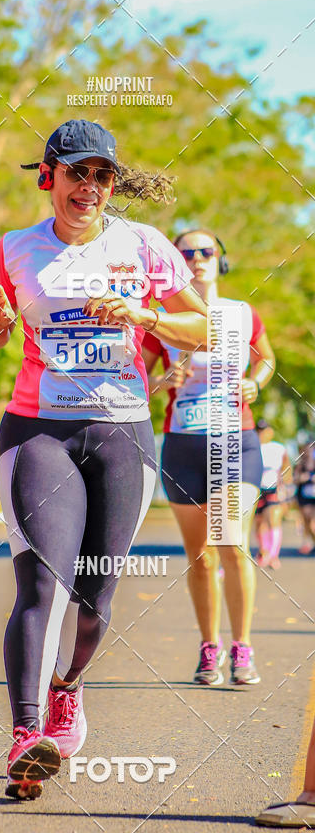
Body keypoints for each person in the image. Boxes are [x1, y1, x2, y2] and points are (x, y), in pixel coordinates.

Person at [0, 119, 208, 800]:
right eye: (77, 172)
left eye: (103, 174)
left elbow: (203, 324)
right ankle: (25, 737)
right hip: (38, 430)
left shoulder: (143, 246)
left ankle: (65, 691)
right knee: (41, 582)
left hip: (121, 433)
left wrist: (144, 316)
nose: (90, 187)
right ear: (49, 177)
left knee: (96, 594)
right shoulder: (15, 250)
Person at [143, 228, 275, 687]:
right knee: (199, 557)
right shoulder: (160, 318)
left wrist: (256, 382)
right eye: (186, 253)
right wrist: (165, 380)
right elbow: (138, 379)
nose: (197, 258)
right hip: (182, 444)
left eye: (206, 251)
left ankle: (242, 648)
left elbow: (266, 359)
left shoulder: (241, 314)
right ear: (175, 263)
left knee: (229, 541)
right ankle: (209, 648)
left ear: (221, 259)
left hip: (235, 439)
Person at [254, 420, 292, 569]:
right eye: (259, 431)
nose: (262, 434)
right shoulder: (252, 448)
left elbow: (286, 466)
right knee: (259, 523)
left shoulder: (278, 448)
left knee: (273, 520)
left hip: (273, 490)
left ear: (270, 432)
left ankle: (273, 555)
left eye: (265, 431)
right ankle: (263, 552)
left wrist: (286, 484)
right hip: (257, 490)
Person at [294, 440, 315, 554]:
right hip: (304, 496)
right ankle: (310, 543)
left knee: (312, 523)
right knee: (307, 522)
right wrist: (303, 478)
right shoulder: (300, 463)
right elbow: (295, 479)